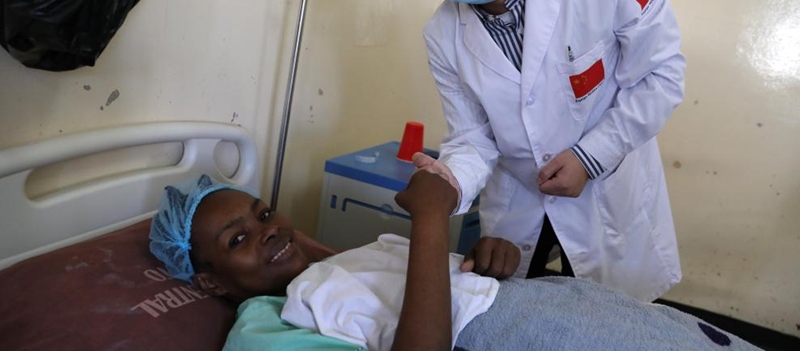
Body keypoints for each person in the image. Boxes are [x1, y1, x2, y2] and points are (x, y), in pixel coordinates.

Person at [375, 0, 686, 301]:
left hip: (608, 199)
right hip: (519, 208)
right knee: (519, 319)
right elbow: (473, 138)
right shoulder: (442, 36)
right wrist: (450, 181)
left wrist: (590, 157)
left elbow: (661, 74)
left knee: (615, 322)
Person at [149, 174, 757, 351]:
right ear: (207, 280)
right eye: (239, 240)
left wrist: (479, 263)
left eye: (263, 213)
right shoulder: (264, 330)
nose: (269, 229)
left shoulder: (336, 264)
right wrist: (431, 219)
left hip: (555, 303)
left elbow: (414, 294)